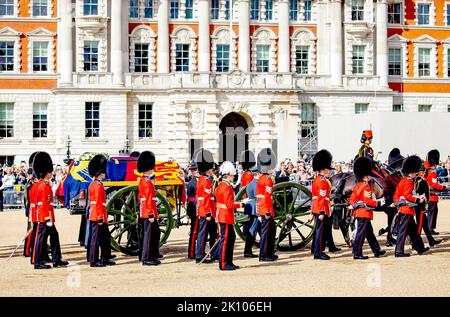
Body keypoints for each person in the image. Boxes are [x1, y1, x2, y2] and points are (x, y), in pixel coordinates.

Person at [32, 152, 69, 269]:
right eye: (50, 172)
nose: (51, 173)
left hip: (47, 216)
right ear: (46, 172)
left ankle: (56, 259)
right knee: (41, 239)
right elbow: (44, 204)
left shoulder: (44, 184)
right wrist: (48, 219)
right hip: (45, 216)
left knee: (54, 236)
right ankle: (38, 262)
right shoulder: (44, 185)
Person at [349, 157, 386, 259]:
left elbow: (352, 200)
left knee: (369, 233)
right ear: (365, 176)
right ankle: (357, 253)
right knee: (361, 234)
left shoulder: (358, 185)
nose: (369, 176)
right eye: (368, 175)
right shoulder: (366, 187)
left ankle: (376, 250)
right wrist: (379, 203)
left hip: (359, 213)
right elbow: (368, 201)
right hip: (364, 213)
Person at [393, 155, 430, 257]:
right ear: (412, 172)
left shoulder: (405, 180)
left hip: (406, 208)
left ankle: (420, 248)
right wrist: (419, 199)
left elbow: (401, 194)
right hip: (406, 209)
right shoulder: (408, 181)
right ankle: (399, 251)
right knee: (403, 231)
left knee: (413, 231)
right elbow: (407, 195)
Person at [87, 154, 115, 267]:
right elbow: (98, 204)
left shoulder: (96, 184)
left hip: (100, 214)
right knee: (96, 239)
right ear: (99, 172)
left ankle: (105, 257)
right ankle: (94, 259)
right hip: (98, 215)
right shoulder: (97, 186)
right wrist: (100, 217)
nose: (104, 173)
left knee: (105, 238)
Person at [216, 161, 244, 270]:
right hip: (226, 216)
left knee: (231, 239)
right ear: (227, 175)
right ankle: (223, 263)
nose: (233, 177)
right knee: (226, 241)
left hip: (224, 216)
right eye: (232, 175)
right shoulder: (227, 187)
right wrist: (241, 204)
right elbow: (229, 205)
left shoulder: (220, 186)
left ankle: (229, 262)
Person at [137, 151, 161, 266]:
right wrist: (151, 214)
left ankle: (150, 255)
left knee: (152, 234)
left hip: (147, 211)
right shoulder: (147, 183)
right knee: (148, 235)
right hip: (148, 213)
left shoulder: (144, 181)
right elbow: (147, 200)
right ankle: (146, 258)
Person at [194, 149, 218, 264]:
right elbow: (207, 199)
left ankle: (214, 253)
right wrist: (208, 213)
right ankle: (199, 255)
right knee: (203, 234)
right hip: (207, 211)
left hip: (204, 210)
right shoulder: (207, 181)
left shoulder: (201, 180)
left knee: (212, 233)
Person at [311, 149, 334, 260]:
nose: (329, 171)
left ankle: (317, 251)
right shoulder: (322, 181)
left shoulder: (317, 179)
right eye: (328, 169)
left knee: (319, 231)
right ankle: (319, 253)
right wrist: (322, 211)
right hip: (321, 208)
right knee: (321, 232)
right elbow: (322, 198)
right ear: (324, 169)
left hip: (318, 207)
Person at [256, 148, 278, 262]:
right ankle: (263, 254)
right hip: (266, 210)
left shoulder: (261, 178)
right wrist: (268, 211)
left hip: (263, 209)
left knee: (270, 232)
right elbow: (267, 197)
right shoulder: (268, 180)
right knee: (266, 234)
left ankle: (268, 252)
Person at [424, 149, 447, 236]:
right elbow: (434, 184)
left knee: (432, 212)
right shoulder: (433, 172)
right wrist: (443, 187)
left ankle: (431, 228)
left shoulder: (427, 171)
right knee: (432, 213)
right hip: (432, 196)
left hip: (428, 195)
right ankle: (430, 229)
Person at [23, 152, 39, 258]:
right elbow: (27, 198)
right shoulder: (31, 183)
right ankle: (27, 250)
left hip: (34, 207)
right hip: (32, 208)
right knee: (31, 229)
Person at [186, 160, 199, 260]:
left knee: (197, 232)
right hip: (194, 208)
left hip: (196, 207)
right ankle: (191, 253)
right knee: (194, 232)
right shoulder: (193, 182)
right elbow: (192, 199)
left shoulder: (196, 181)